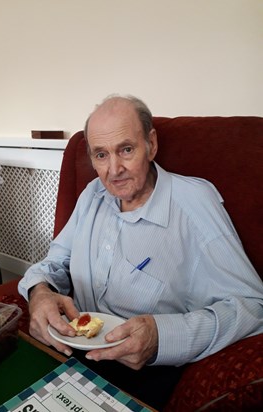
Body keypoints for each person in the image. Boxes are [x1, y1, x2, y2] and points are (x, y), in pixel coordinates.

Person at [18, 95, 263, 409]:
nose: (114, 169)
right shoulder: (93, 194)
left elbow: (252, 306)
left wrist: (162, 336)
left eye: (126, 150)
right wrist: (39, 291)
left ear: (151, 144)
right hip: (72, 351)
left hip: (144, 371)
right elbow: (56, 262)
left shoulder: (194, 203)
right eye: (101, 155)